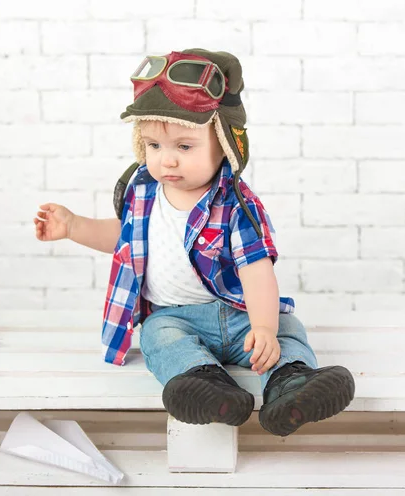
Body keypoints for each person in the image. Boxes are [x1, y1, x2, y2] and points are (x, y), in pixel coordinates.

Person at [34, 49, 355, 437]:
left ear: (223, 144)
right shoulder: (142, 192)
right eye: (154, 146)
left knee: (288, 328)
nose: (166, 160)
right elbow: (125, 240)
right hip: (176, 316)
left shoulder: (236, 203)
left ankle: (292, 385)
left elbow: (257, 271)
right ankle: (208, 388)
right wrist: (74, 227)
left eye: (184, 147)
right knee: (157, 336)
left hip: (238, 314)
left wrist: (265, 326)